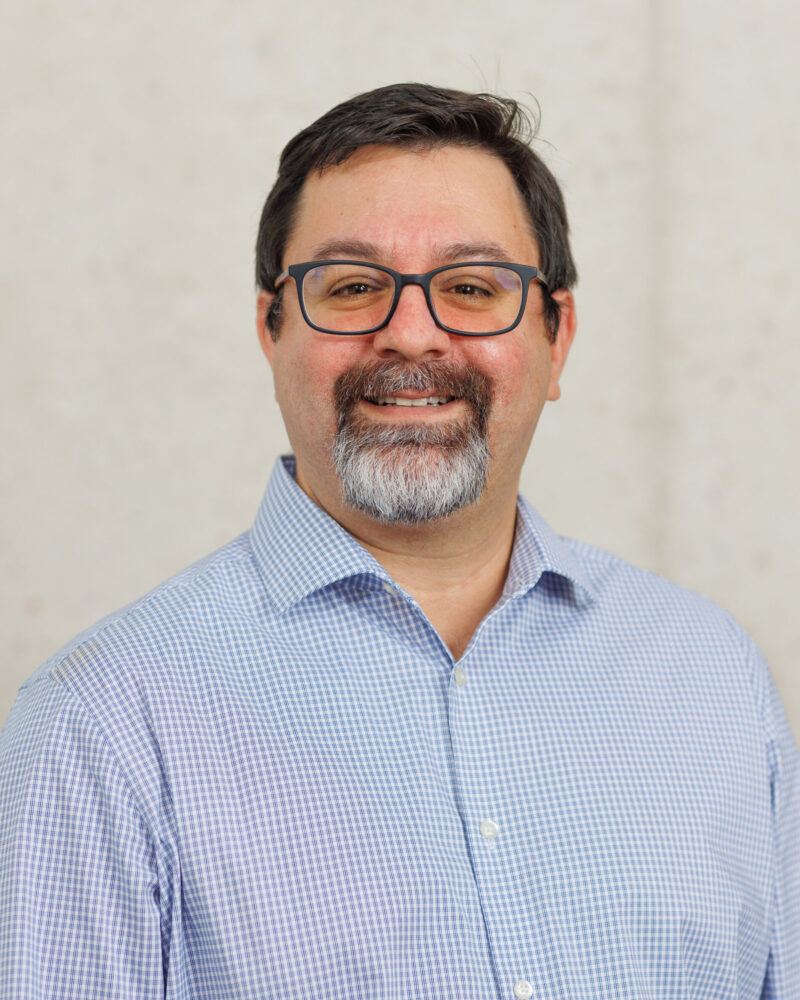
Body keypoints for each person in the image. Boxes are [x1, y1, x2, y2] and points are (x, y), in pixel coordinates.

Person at [0, 83, 797, 1000]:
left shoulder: (713, 677)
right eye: (350, 288)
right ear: (272, 331)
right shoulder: (102, 722)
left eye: (470, 286)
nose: (411, 333)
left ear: (557, 337)